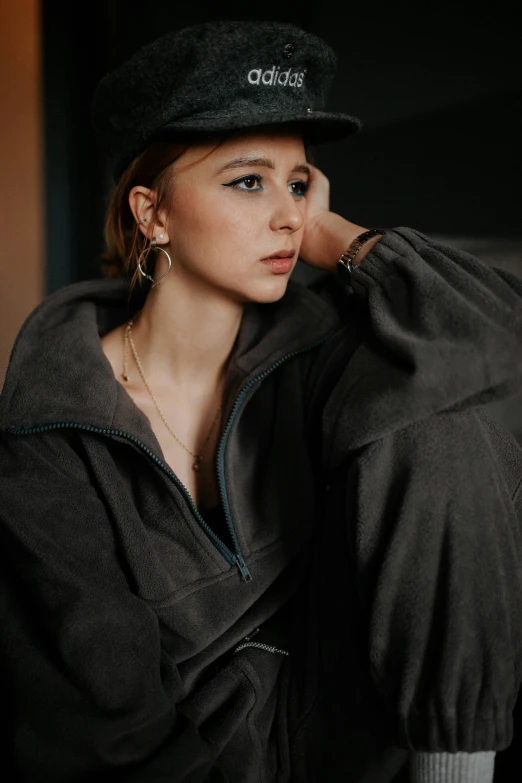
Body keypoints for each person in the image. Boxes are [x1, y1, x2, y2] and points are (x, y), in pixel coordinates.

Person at [1, 19, 522, 783]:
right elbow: (101, 733)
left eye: (300, 181)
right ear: (153, 213)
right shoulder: (52, 434)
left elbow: (495, 345)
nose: (289, 215)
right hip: (196, 767)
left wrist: (342, 239)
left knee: (441, 412)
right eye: (249, 180)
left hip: (370, 738)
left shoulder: (325, 349)